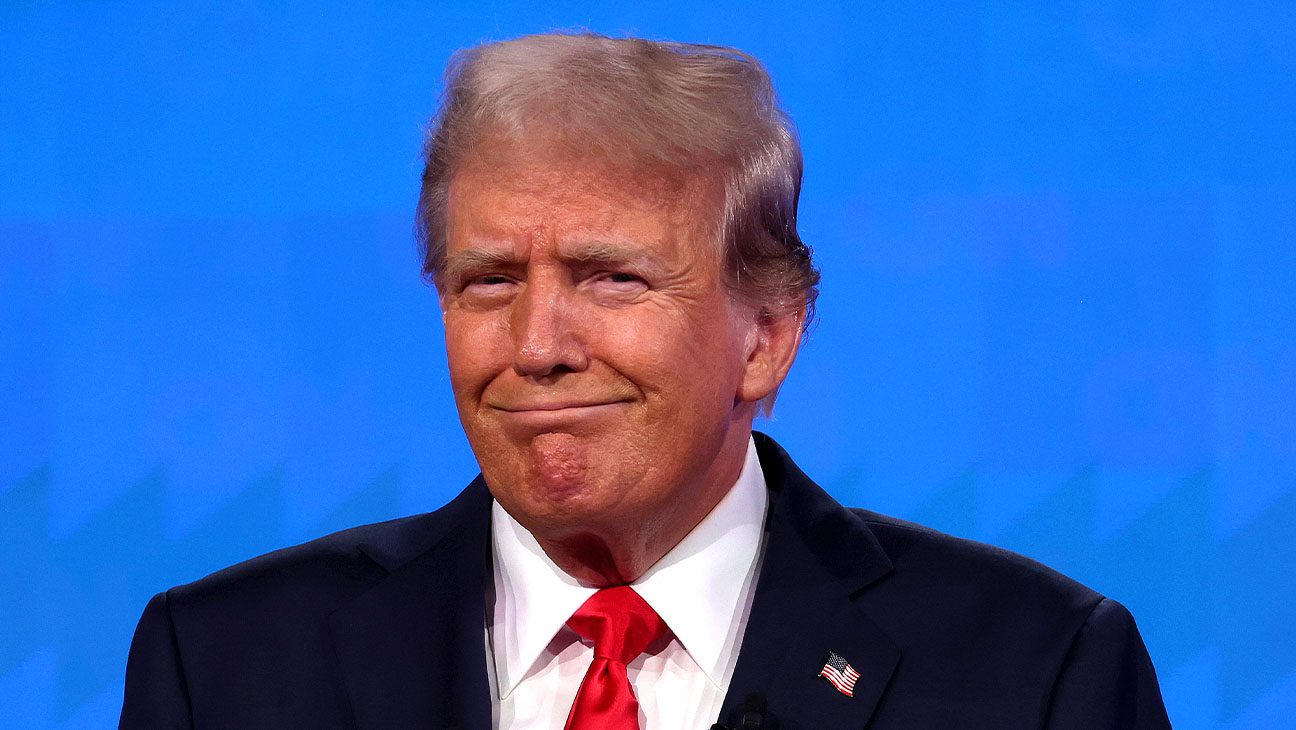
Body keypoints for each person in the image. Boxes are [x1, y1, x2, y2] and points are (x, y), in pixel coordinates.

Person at [120, 32, 1172, 730]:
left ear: (768, 333)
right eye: (488, 281)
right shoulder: (225, 668)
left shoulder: (1036, 675)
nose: (537, 345)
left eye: (609, 277)